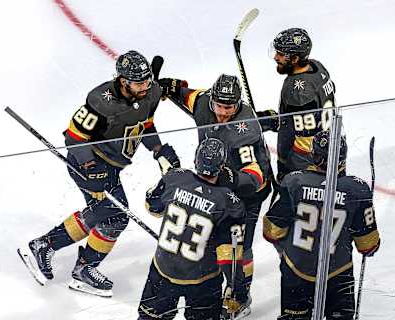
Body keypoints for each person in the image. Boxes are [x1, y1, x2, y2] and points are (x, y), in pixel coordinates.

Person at [17, 50, 181, 297]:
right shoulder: (101, 101)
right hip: (90, 163)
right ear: (123, 81)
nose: (146, 86)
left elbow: (144, 124)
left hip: (112, 167)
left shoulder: (150, 92)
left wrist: (158, 150)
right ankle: (50, 248)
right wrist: (90, 169)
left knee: (112, 216)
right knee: (114, 213)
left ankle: (68, 259)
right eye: (140, 82)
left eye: (148, 80)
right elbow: (73, 137)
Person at [158, 74, 273, 318]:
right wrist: (171, 86)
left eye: (228, 107)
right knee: (212, 240)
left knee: (239, 247)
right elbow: (188, 96)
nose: (222, 112)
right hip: (217, 185)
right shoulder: (204, 102)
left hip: (248, 193)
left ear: (238, 104)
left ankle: (240, 297)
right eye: (218, 106)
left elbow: (255, 177)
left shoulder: (245, 132)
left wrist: (226, 178)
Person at [263, 130, 381, 319]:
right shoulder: (357, 189)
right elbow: (369, 245)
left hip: (297, 271)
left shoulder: (294, 182)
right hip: (339, 273)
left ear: (313, 154)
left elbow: (272, 231)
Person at [138, 138, 246, 320]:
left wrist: (168, 179)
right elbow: (229, 253)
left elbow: (153, 207)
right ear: (222, 167)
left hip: (163, 272)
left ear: (196, 161)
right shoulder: (229, 202)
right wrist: (236, 288)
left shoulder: (174, 178)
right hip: (203, 281)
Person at [257, 28, 337, 183]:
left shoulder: (298, 92)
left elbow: (305, 144)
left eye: (281, 54)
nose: (275, 57)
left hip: (309, 168)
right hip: (330, 148)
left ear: (294, 59)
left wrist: (289, 174)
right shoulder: (316, 66)